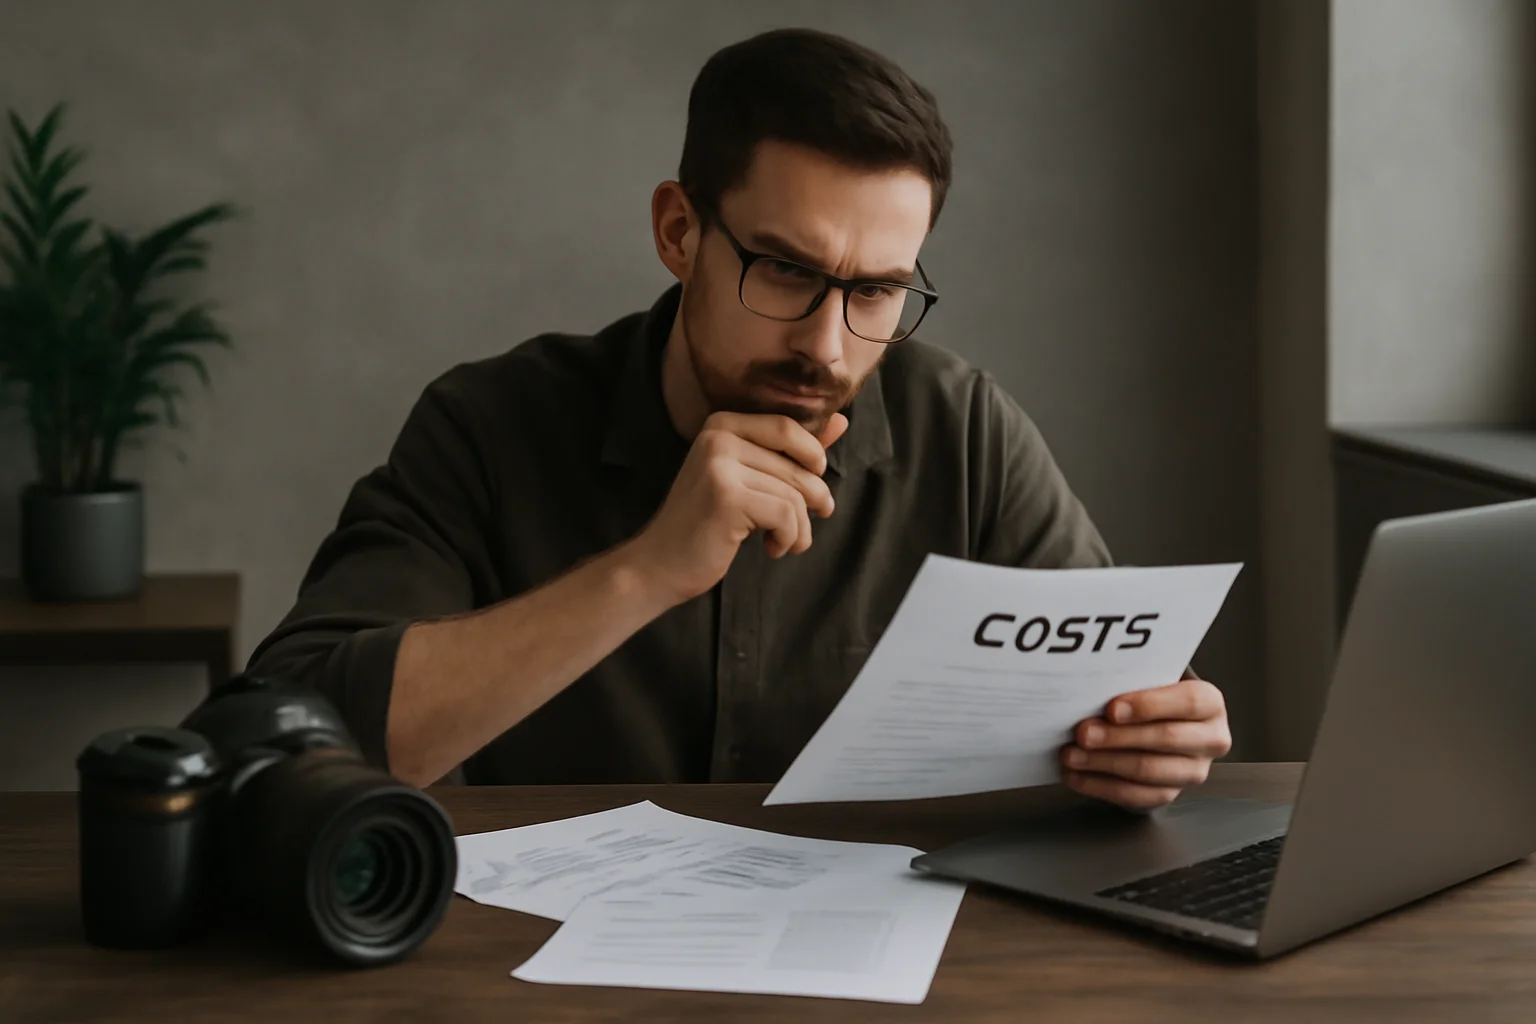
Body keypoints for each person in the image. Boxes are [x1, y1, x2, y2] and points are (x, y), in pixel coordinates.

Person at [249, 27, 1231, 809]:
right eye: (788, 271)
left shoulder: (965, 433)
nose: (829, 346)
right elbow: (284, 732)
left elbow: (1132, 697)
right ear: (680, 232)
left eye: (879, 292)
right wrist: (645, 572)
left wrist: (1155, 744)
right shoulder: (490, 426)